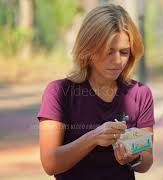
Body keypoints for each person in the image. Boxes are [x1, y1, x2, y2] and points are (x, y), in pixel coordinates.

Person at [37, 4, 154, 180]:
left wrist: (134, 157)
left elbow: (146, 161)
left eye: (124, 52)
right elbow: (50, 163)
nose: (117, 61)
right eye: (108, 52)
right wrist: (93, 137)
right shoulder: (59, 92)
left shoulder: (140, 93)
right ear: (88, 49)